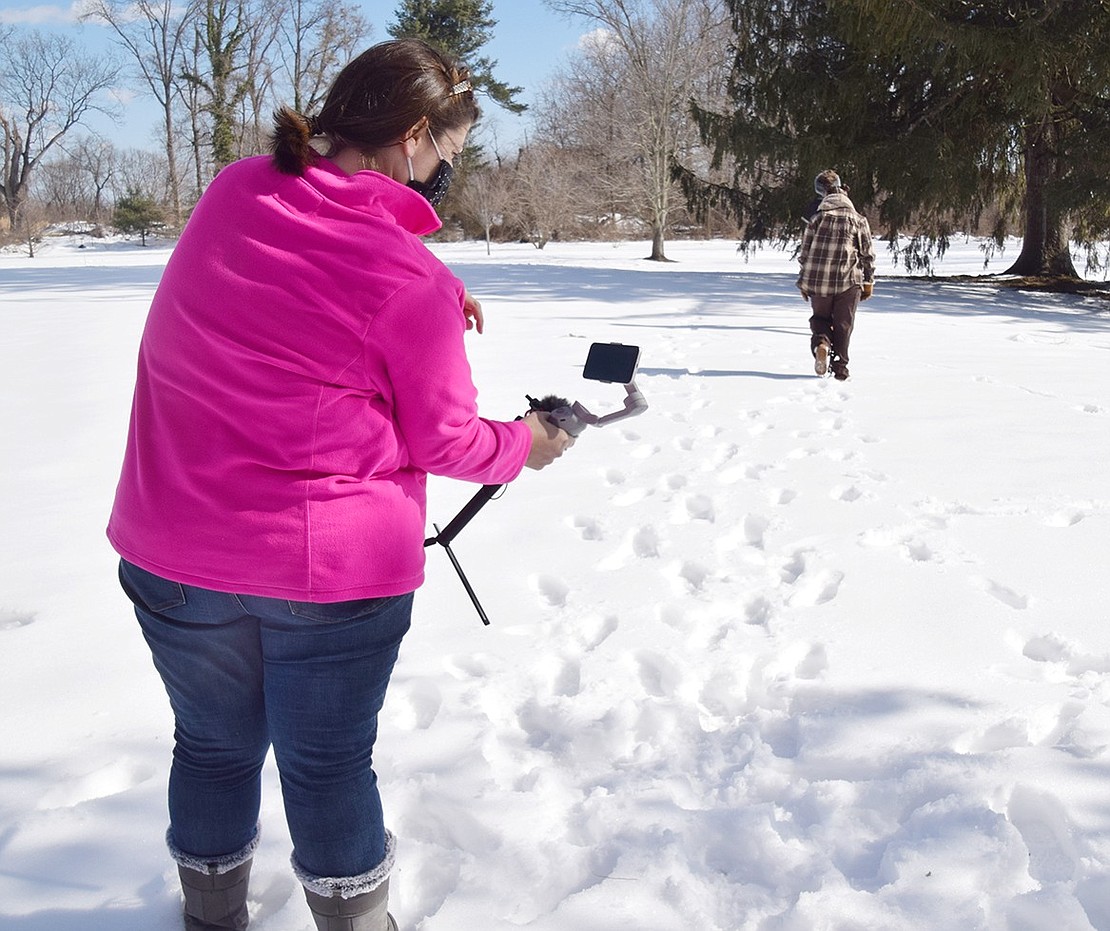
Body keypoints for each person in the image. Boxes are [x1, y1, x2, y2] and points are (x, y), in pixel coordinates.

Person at [106, 38, 574, 931]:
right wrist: (527, 443)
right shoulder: (406, 280)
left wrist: (432, 283)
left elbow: (303, 266)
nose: (445, 174)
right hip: (325, 575)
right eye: (447, 155)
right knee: (324, 767)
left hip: (172, 549)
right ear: (410, 138)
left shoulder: (233, 191)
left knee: (210, 747)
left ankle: (208, 917)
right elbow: (447, 438)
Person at [797, 169, 876, 380]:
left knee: (820, 319)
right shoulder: (858, 219)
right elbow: (867, 254)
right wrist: (868, 282)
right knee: (844, 323)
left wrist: (804, 283)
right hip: (848, 281)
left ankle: (822, 344)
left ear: (821, 192)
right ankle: (840, 366)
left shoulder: (817, 218)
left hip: (818, 281)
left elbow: (804, 254)